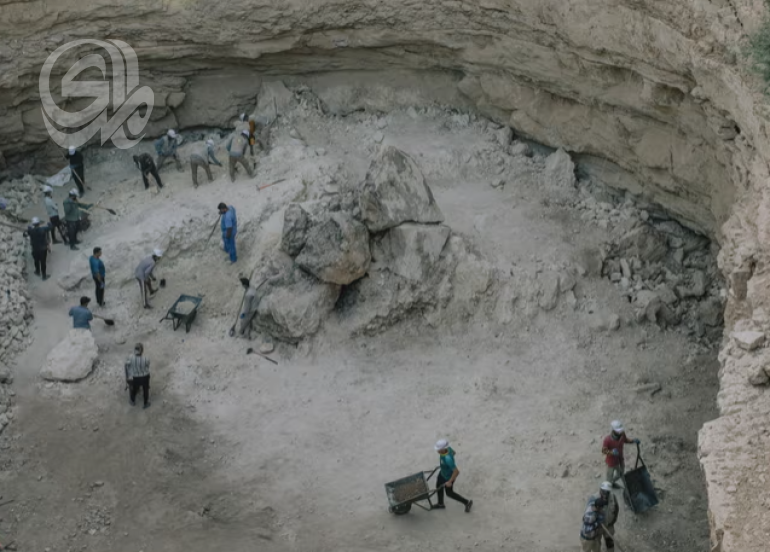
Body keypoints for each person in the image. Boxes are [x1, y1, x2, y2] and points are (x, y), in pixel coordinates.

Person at [433, 439, 473, 512]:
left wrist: (450, 482)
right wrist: (445, 466)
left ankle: (467, 502)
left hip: (448, 477)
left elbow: (456, 472)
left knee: (449, 493)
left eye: (438, 449)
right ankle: (440, 504)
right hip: (442, 473)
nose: (437, 451)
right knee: (438, 486)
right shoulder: (448, 449)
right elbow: (454, 452)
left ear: (443, 449)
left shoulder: (447, 459)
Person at [602, 420, 640, 487]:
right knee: (609, 477)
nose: (620, 432)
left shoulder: (622, 434)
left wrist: (633, 441)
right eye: (618, 430)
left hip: (620, 460)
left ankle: (612, 482)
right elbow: (604, 451)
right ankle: (607, 489)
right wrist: (611, 452)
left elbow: (626, 440)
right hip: (611, 463)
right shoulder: (607, 440)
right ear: (613, 430)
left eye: (620, 430)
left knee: (620, 474)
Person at [591, 482, 619, 551]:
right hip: (598, 527)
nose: (605, 493)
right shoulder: (594, 498)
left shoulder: (613, 497)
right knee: (596, 545)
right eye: (603, 491)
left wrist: (613, 521)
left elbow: (616, 509)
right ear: (600, 489)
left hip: (609, 525)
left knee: (610, 543)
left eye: (607, 492)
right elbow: (589, 513)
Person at [125, 343, 151, 409]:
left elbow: (126, 364)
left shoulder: (131, 357)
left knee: (134, 389)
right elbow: (147, 366)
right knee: (145, 390)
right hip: (145, 377)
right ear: (142, 351)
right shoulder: (146, 358)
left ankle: (132, 401)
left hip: (136, 377)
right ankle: (145, 403)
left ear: (134, 350)